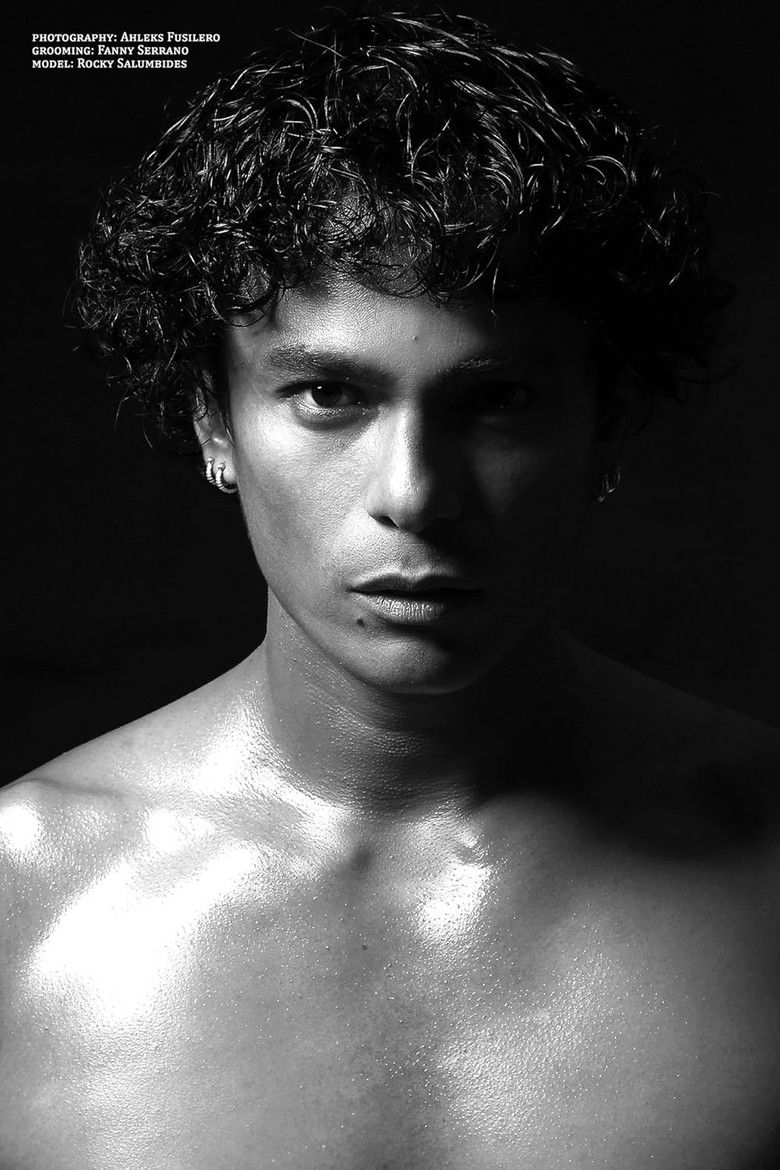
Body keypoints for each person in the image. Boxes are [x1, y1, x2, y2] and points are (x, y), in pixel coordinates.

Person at [2, 9, 779, 1167]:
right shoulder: (22, 900)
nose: (415, 493)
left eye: (497, 400)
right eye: (329, 395)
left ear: (608, 423)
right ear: (214, 422)